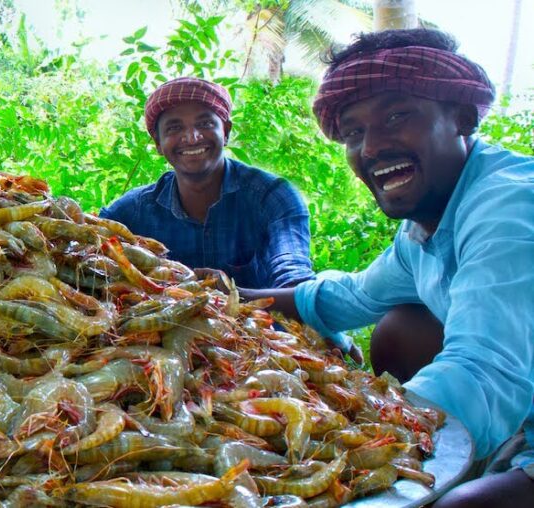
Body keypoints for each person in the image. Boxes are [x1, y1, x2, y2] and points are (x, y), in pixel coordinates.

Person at [242, 29, 534, 507]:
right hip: (522, 406)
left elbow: (486, 370)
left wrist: (356, 437)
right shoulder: (426, 228)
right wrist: (231, 298)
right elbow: (353, 297)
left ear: (462, 117)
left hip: (513, 402)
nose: (372, 147)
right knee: (401, 327)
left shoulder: (507, 207)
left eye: (397, 116)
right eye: (353, 133)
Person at [100, 77, 314, 291]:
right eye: (174, 128)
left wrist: (230, 294)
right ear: (158, 142)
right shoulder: (132, 211)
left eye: (205, 124)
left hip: (265, 314)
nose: (192, 138)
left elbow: (297, 287)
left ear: (226, 132)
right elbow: (90, 245)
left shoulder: (272, 197)